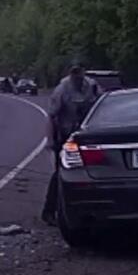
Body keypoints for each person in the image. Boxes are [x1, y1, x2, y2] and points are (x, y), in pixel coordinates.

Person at [41, 63, 101, 226]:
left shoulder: (92, 86)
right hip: (66, 135)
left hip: (87, 135)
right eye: (74, 74)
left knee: (91, 173)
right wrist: (50, 140)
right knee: (61, 172)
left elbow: (99, 106)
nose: (77, 77)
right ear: (70, 74)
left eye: (80, 73)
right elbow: (51, 116)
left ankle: (89, 210)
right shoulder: (62, 90)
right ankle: (49, 211)